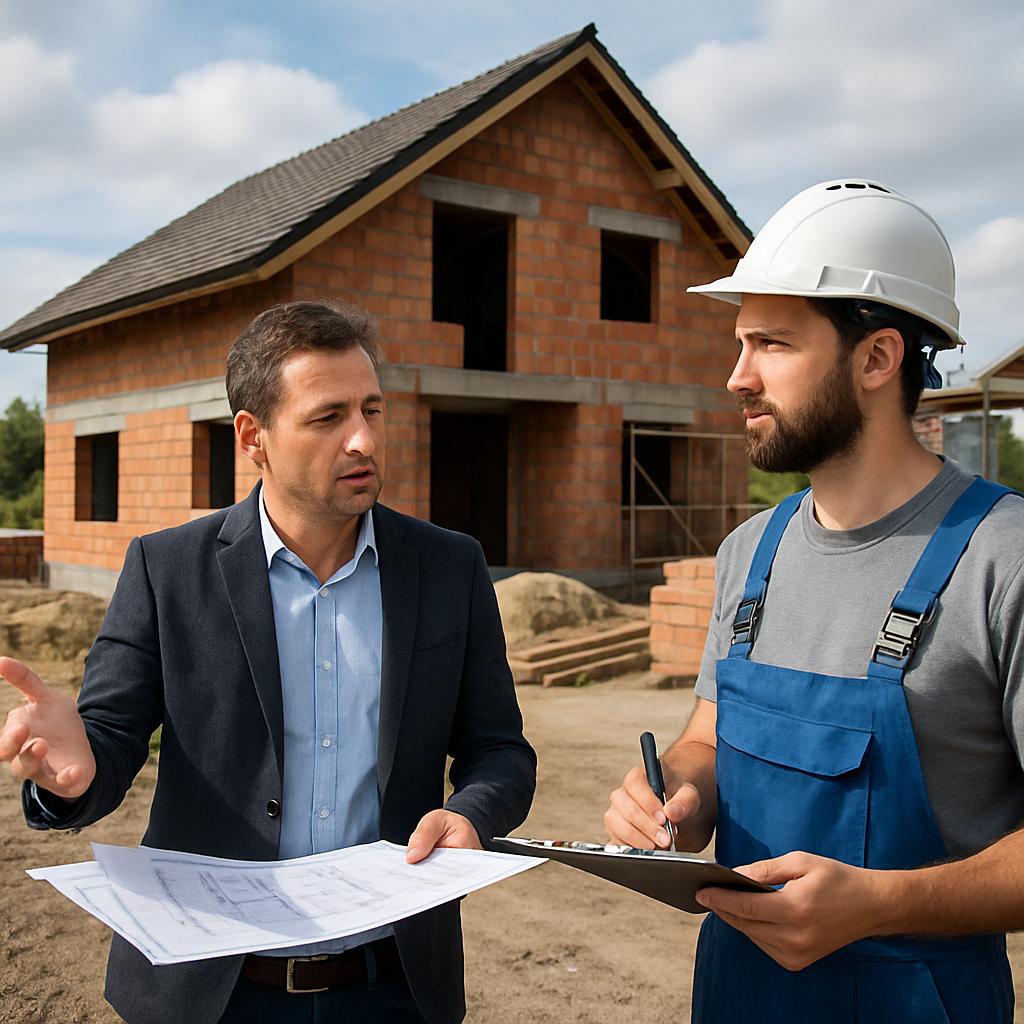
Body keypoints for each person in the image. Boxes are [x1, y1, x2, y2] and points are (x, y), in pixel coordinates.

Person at [0, 300, 536, 1024]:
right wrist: (76, 773)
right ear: (253, 436)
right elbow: (107, 744)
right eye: (327, 417)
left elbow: (500, 750)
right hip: (210, 992)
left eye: (372, 411)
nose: (362, 439)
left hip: (392, 987)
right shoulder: (167, 571)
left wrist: (470, 815)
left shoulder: (450, 567)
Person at [604, 179, 1024, 1023]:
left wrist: (880, 904)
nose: (737, 377)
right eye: (739, 343)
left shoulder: (1004, 560)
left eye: (772, 344)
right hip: (735, 993)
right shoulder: (749, 553)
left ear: (877, 358)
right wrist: (675, 798)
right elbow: (705, 740)